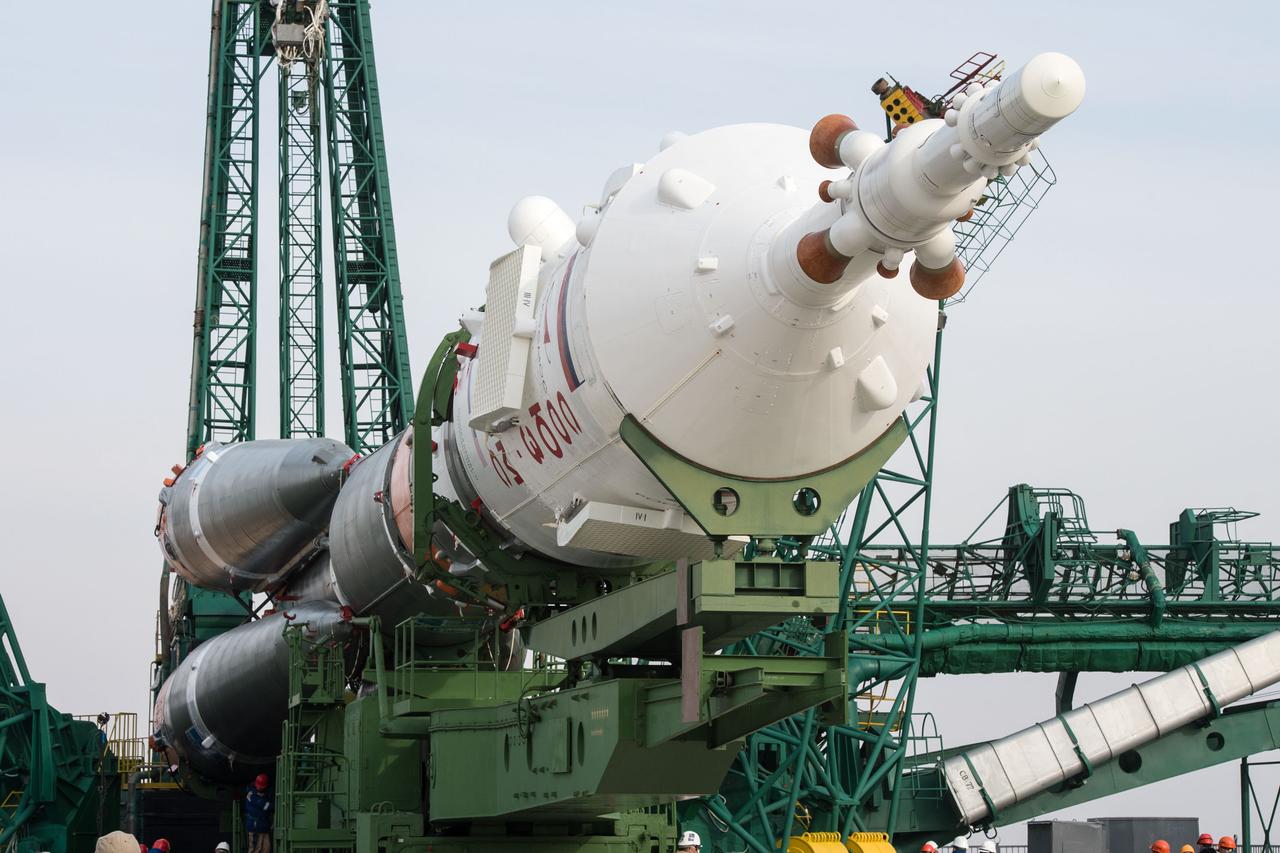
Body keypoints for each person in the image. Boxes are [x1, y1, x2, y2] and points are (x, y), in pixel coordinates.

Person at [245, 773, 274, 853]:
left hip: (264, 826)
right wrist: (268, 804)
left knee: (266, 849)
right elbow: (266, 806)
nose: (259, 787)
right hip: (255, 827)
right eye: (258, 785)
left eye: (261, 786)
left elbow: (267, 806)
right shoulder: (251, 794)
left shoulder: (267, 792)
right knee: (255, 850)